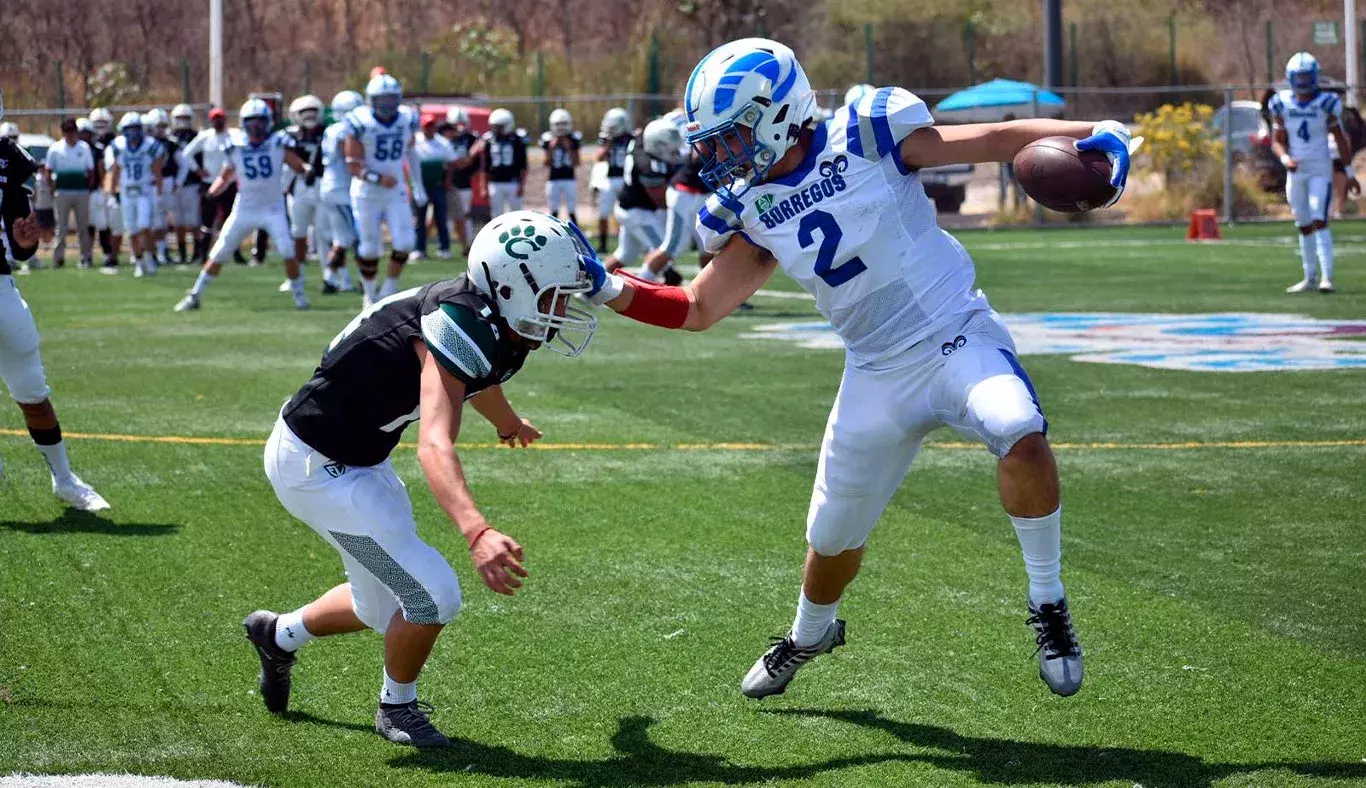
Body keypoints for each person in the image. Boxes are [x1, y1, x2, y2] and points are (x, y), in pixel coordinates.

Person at [580, 37, 1139, 700]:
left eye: (730, 136)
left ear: (777, 112)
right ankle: (810, 632)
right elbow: (700, 307)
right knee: (831, 538)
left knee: (1018, 427)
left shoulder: (869, 133)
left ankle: (1048, 601)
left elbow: (996, 136)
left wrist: (1097, 131)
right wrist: (607, 287)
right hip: (874, 370)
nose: (719, 154)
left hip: (951, 333)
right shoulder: (753, 207)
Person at [243, 210, 598, 747]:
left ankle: (277, 634)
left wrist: (507, 424)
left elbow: (476, 375)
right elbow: (434, 442)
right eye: (553, 295)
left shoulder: (487, 315)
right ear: (511, 286)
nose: (562, 308)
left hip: (354, 459)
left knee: (378, 607)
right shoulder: (457, 324)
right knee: (433, 595)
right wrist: (477, 532)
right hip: (315, 467)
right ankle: (397, 709)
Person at [0, 90, 109, 511]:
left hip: (2, 287)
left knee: (32, 389)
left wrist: (25, 243)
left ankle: (64, 479)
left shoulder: (11, 159)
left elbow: (20, 237)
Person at [175, 99, 309, 312]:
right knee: (220, 251)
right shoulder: (235, 145)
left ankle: (300, 296)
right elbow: (225, 176)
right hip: (245, 208)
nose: (256, 126)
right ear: (244, 123)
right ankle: (195, 295)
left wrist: (308, 171)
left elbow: (297, 164)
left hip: (273, 207)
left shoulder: (277, 142)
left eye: (260, 121)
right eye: (251, 122)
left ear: (268, 122)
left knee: (287, 250)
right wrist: (211, 192)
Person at [1271, 52, 1360, 294]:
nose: (1302, 82)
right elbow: (1277, 140)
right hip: (1296, 169)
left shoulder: (1326, 103)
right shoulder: (1281, 102)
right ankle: (1309, 277)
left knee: (1320, 218)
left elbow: (1340, 139)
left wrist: (1350, 172)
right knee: (1303, 222)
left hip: (1320, 167)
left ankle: (1327, 278)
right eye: (1298, 77)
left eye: (1305, 76)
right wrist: (1285, 157)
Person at [343, 73, 425, 307]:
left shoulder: (407, 118)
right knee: (369, 248)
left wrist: (417, 185)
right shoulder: (359, 121)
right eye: (382, 100)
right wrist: (377, 177)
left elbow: (411, 152)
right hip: (366, 192)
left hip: (395, 190)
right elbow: (352, 164)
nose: (387, 105)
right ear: (371, 100)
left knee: (405, 243)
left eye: (391, 99)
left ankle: (389, 287)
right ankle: (369, 295)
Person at [599, 118, 683, 276]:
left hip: (630, 207)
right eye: (671, 149)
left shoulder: (642, 142)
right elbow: (661, 201)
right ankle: (639, 294)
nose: (675, 153)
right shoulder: (648, 167)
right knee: (662, 255)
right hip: (636, 212)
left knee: (626, 255)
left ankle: (589, 286)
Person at [103, 112, 165, 277]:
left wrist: (159, 194)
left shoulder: (150, 146)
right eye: (129, 129)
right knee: (132, 231)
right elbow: (116, 171)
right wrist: (111, 192)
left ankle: (149, 257)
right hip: (126, 192)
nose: (132, 133)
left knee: (145, 227)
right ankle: (139, 262)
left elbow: (158, 171)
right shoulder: (119, 146)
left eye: (135, 128)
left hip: (144, 191)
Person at [319, 90, 364, 295]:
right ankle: (330, 277)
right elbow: (349, 160)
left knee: (345, 237)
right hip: (340, 189)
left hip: (332, 187)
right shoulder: (343, 131)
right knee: (349, 238)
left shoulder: (332, 129)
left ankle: (334, 277)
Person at [182, 107, 237, 265]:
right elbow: (187, 153)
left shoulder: (234, 136)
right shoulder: (205, 137)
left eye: (220, 118)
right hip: (209, 183)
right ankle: (202, 254)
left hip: (228, 184)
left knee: (232, 220)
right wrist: (197, 170)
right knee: (207, 221)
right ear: (211, 121)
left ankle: (234, 253)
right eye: (215, 119)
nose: (218, 121)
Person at [43, 117, 95, 269]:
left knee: (82, 227)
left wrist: (88, 188)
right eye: (67, 131)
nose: (70, 134)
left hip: (81, 192)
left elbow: (90, 170)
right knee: (61, 227)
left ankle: (85, 257)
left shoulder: (84, 148)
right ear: (63, 132)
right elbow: (48, 170)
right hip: (62, 192)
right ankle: (58, 259)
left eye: (72, 131)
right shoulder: (55, 148)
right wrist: (52, 188)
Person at [411, 114, 455, 260]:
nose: (429, 129)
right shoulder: (415, 141)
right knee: (420, 219)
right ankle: (419, 249)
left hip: (437, 186)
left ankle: (444, 248)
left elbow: (450, 163)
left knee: (441, 217)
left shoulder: (443, 143)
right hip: (420, 186)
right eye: (427, 126)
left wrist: (447, 181)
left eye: (432, 126)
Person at [169, 104, 206, 264]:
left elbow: (201, 161)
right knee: (178, 222)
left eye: (186, 118)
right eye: (179, 118)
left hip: (192, 184)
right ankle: (182, 253)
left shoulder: (197, 137)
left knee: (194, 221)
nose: (183, 122)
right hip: (175, 186)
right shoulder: (170, 138)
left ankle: (196, 253)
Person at [594, 107, 633, 252]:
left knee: (627, 213)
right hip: (610, 179)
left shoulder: (630, 139)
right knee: (603, 212)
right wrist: (608, 144)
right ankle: (603, 244)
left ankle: (630, 243)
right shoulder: (605, 139)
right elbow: (599, 158)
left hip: (625, 179)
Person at [443, 107, 481, 256]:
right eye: (455, 124)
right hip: (446, 182)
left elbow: (476, 164)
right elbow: (459, 162)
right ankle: (444, 245)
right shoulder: (443, 139)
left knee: (464, 214)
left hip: (464, 182)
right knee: (442, 215)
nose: (459, 127)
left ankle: (468, 243)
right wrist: (471, 155)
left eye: (461, 123)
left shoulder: (471, 138)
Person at [86, 108, 119, 270]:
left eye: (103, 123)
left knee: (109, 224)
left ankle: (110, 254)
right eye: (97, 123)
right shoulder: (89, 145)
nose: (100, 126)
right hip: (95, 190)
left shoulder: (114, 142)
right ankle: (90, 254)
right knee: (93, 224)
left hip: (107, 189)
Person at [481, 108, 527, 217]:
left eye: (499, 126)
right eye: (494, 126)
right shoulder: (489, 140)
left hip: (513, 182)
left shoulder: (517, 140)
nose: (496, 129)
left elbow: (523, 165)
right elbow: (485, 165)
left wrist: (521, 185)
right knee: (496, 215)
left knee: (517, 214)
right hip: (495, 182)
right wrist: (483, 186)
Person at [540, 108, 582, 226]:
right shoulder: (547, 139)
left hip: (569, 179)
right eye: (558, 124)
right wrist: (551, 149)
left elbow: (577, 162)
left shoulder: (574, 138)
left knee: (572, 210)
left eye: (563, 124)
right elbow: (546, 163)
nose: (561, 127)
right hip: (553, 179)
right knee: (553, 211)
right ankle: (553, 233)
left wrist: (569, 148)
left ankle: (577, 237)